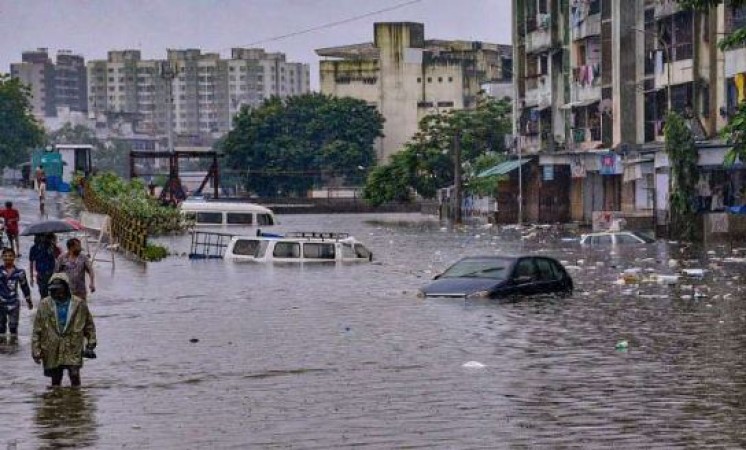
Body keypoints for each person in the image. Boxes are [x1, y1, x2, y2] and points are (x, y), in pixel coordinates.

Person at [32, 273, 96, 387]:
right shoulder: (44, 304)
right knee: (56, 379)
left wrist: (91, 344)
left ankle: (76, 401)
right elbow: (37, 329)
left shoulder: (79, 304)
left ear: (66, 287)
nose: (55, 292)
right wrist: (36, 350)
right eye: (52, 290)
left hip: (73, 344)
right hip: (52, 346)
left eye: (58, 289)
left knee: (74, 374)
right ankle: (56, 402)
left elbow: (89, 325)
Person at [0, 247, 33, 344]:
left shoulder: (19, 272)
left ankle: (14, 347)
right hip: (1, 303)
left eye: (10, 256)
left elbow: (24, 287)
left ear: (14, 257)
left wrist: (29, 301)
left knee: (13, 327)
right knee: (1, 328)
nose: (7, 258)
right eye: (5, 256)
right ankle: (3, 349)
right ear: (2, 257)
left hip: (14, 303)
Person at [30, 233, 59, 298]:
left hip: (51, 273)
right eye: (40, 237)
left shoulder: (51, 247)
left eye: (43, 236)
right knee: (43, 293)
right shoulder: (34, 248)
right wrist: (31, 277)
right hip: (41, 274)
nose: (42, 238)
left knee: (52, 293)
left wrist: (54, 245)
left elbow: (59, 258)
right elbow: (31, 262)